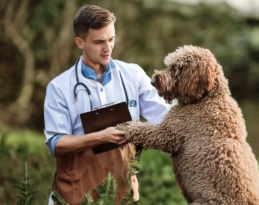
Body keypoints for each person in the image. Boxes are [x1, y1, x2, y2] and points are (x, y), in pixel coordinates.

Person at [43, 4, 169, 205]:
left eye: (111, 39)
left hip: (122, 191)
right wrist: (101, 137)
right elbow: (55, 144)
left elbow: (166, 117)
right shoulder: (59, 87)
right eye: (99, 41)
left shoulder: (133, 75)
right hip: (75, 195)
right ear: (80, 42)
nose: (108, 48)